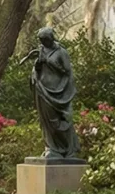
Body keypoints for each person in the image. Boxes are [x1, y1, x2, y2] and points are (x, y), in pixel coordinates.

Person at [26, 27, 82, 160]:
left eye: (45, 39)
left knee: (59, 121)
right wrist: (38, 64)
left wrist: (49, 62)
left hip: (58, 91)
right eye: (41, 40)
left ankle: (68, 149)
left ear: (51, 38)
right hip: (42, 90)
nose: (43, 42)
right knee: (46, 121)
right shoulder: (41, 51)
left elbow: (67, 71)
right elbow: (36, 70)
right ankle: (51, 148)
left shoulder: (61, 52)